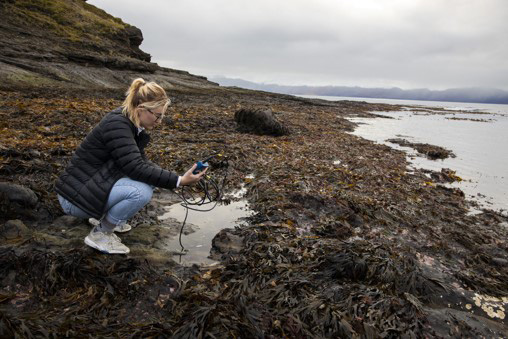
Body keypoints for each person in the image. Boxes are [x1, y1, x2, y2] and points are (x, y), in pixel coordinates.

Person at [55, 78, 206, 254]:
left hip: (86, 189)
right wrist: (179, 181)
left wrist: (176, 177)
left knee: (148, 181)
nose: (159, 121)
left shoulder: (130, 124)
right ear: (142, 108)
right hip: (74, 199)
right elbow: (136, 167)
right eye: (158, 115)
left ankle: (108, 220)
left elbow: (140, 163)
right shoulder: (118, 125)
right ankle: (101, 234)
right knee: (141, 192)